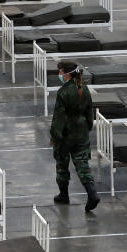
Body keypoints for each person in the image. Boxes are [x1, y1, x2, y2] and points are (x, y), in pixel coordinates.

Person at [49, 60, 100, 211]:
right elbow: (89, 111)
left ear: (66, 74)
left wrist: (54, 136)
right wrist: (87, 127)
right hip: (81, 131)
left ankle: (63, 195)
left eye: (60, 72)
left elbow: (59, 118)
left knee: (62, 164)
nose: (59, 74)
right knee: (82, 163)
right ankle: (92, 193)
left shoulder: (63, 92)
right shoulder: (84, 89)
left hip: (66, 135)